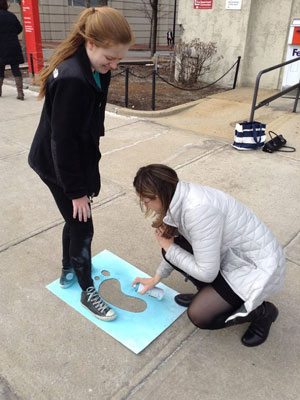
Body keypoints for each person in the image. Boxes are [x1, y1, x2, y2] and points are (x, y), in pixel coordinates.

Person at [28, 7, 134, 321]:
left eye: (119, 59)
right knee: (82, 225)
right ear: (89, 43)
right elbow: (62, 143)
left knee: (74, 220)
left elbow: (88, 122)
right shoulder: (73, 78)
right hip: (55, 162)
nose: (114, 65)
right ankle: (88, 290)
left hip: (73, 156)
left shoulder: (95, 69)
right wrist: (76, 191)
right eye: (110, 58)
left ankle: (67, 268)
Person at [132, 164, 286, 347]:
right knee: (174, 246)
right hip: (231, 256)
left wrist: (170, 249)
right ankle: (207, 294)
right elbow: (178, 250)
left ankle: (263, 313)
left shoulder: (197, 210)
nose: (145, 205)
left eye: (145, 201)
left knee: (200, 315)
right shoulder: (177, 196)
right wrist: (155, 278)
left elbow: (207, 272)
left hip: (253, 267)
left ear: (158, 196)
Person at [0, 0, 25, 100]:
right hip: (13, 45)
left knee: (0, 69)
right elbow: (19, 28)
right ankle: (20, 93)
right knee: (15, 68)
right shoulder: (11, 16)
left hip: (1, 47)